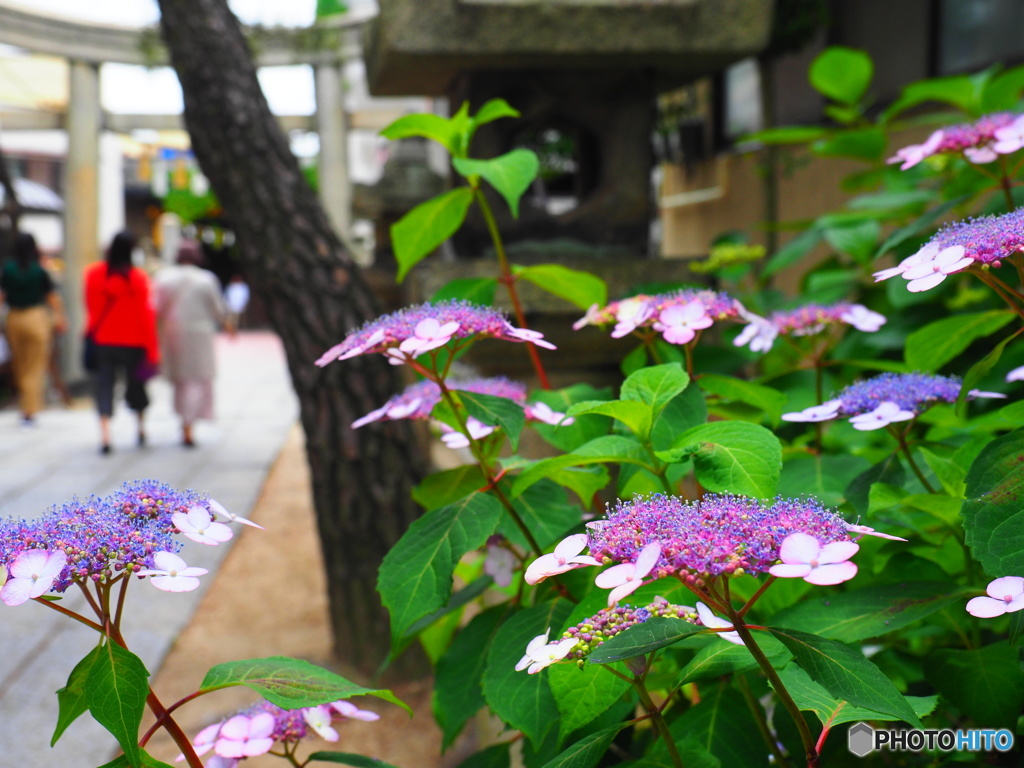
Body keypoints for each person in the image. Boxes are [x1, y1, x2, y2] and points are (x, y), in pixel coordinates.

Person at [84, 231, 159, 455]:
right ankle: (141, 427)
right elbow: (146, 315)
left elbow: (90, 307)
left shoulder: (93, 275)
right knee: (136, 385)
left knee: (103, 385)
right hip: (133, 340)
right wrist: (153, 348)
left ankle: (106, 435)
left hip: (103, 339)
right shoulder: (137, 277)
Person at [154, 239, 226, 448]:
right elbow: (218, 310)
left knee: (180, 381)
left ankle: (184, 422)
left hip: (173, 333)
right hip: (200, 334)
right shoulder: (206, 279)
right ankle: (190, 423)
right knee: (198, 380)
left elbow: (156, 308)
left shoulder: (164, 279)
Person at [0, 232, 67, 427]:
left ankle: (26, 406)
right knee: (36, 365)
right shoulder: (39, 270)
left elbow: (2, 296)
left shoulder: (8, 269)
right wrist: (61, 317)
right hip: (36, 317)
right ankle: (30, 409)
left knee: (21, 364)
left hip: (14, 318)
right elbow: (52, 297)